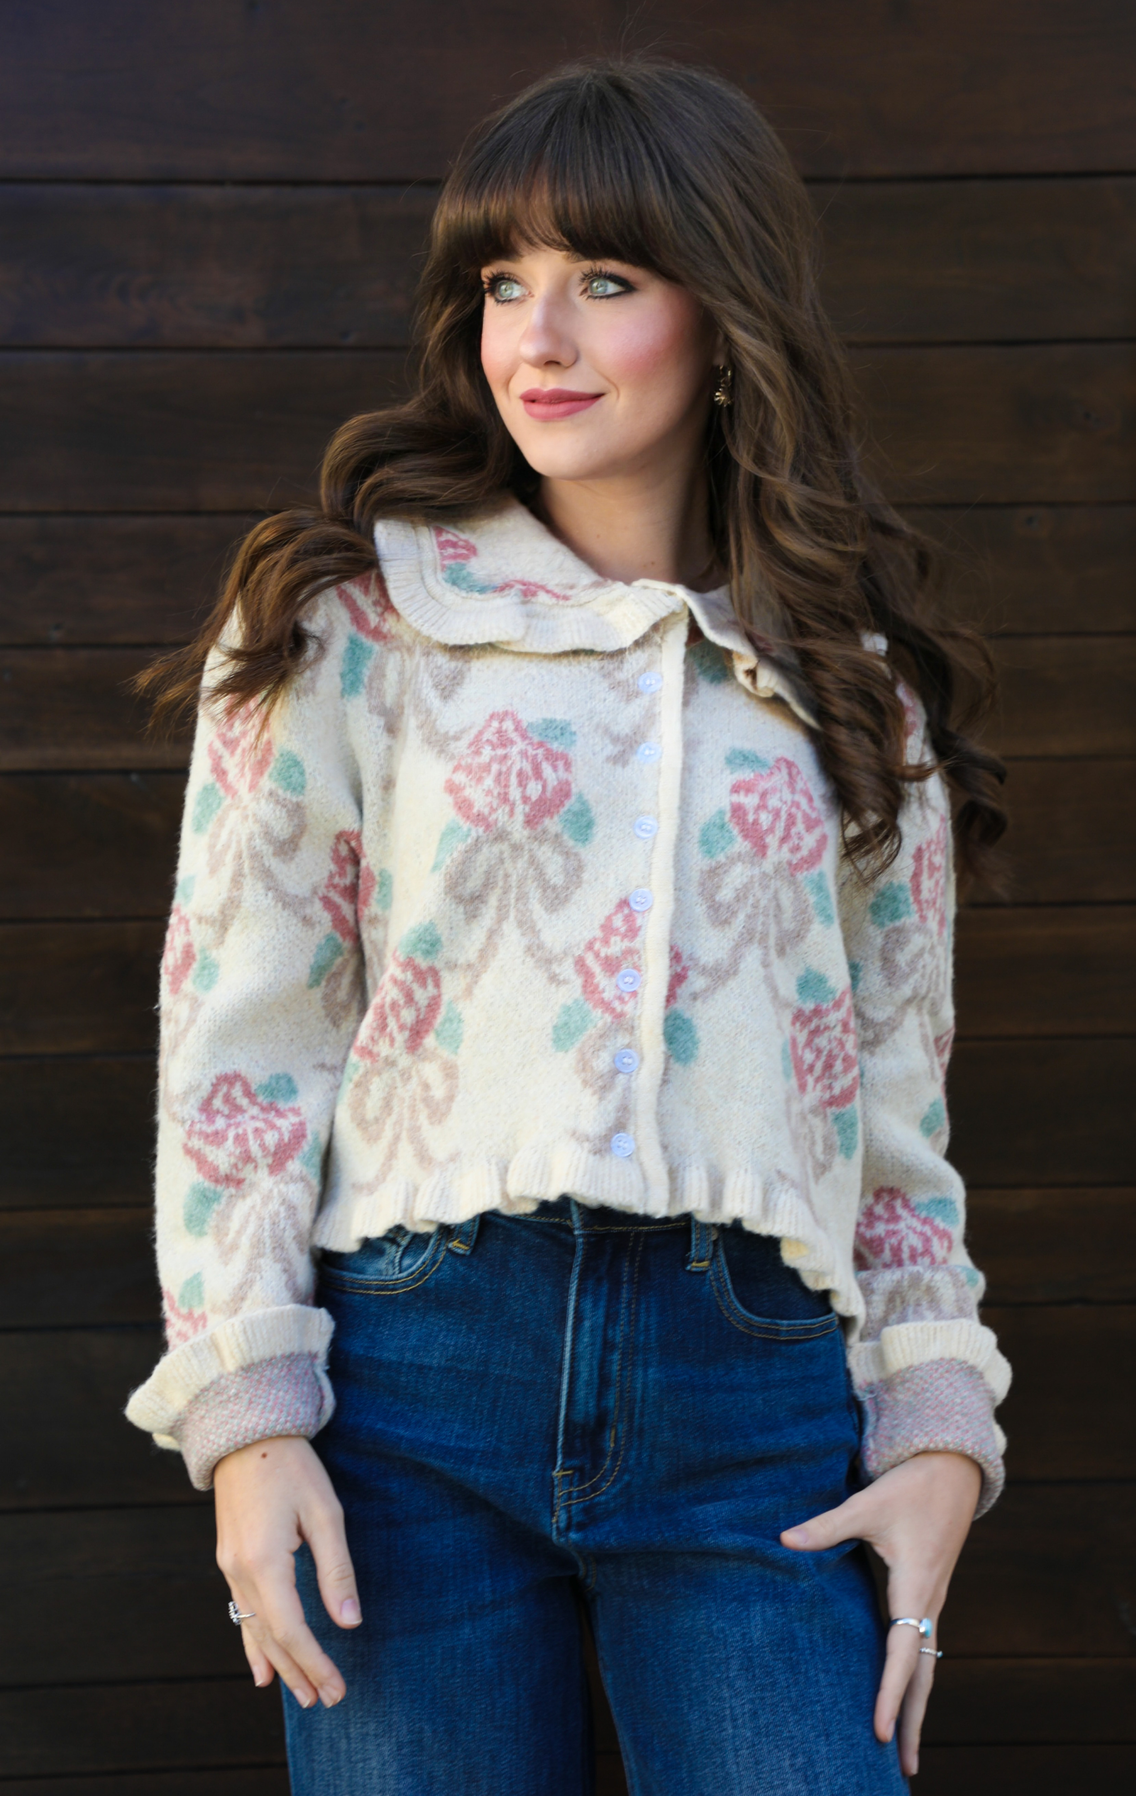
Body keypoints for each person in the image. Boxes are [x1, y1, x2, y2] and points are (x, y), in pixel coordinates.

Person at [126, 56, 1009, 1795]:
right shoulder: (349, 627)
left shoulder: (850, 695)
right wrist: (244, 1421)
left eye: (604, 281)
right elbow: (246, 1044)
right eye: (500, 285)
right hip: (410, 1388)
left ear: (725, 312)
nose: (538, 336)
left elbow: (894, 1120)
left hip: (755, 1404)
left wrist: (938, 1436)